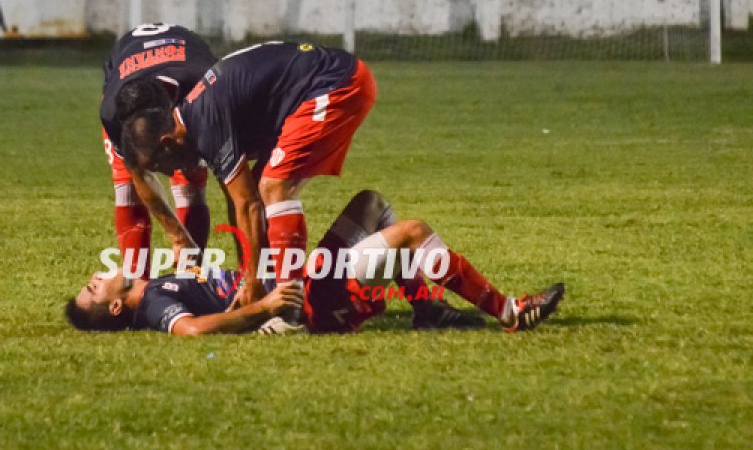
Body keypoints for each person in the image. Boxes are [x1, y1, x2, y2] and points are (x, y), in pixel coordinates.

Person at [65, 190, 565, 335]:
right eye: (92, 289)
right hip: (307, 302)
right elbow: (192, 331)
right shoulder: (154, 303)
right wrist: (265, 309)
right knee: (411, 233)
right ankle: (509, 311)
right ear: (115, 307)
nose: (93, 278)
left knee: (370, 203)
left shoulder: (158, 283)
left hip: (305, 279)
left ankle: (426, 309)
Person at [114, 41, 373, 308]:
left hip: (335, 81)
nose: (171, 172)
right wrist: (249, 272)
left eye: (159, 165)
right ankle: (277, 287)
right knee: (263, 188)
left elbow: (247, 204)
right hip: (321, 82)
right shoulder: (197, 118)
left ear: (167, 143)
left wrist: (252, 280)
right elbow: (243, 201)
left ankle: (289, 306)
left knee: (274, 186)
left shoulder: (206, 125)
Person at [99, 23, 215, 278]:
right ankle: (137, 282)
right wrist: (177, 235)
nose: (163, 172)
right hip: (129, 68)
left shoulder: (205, 92)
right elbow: (138, 174)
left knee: (191, 179)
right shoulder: (112, 113)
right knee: (127, 186)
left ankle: (191, 278)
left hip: (187, 78)